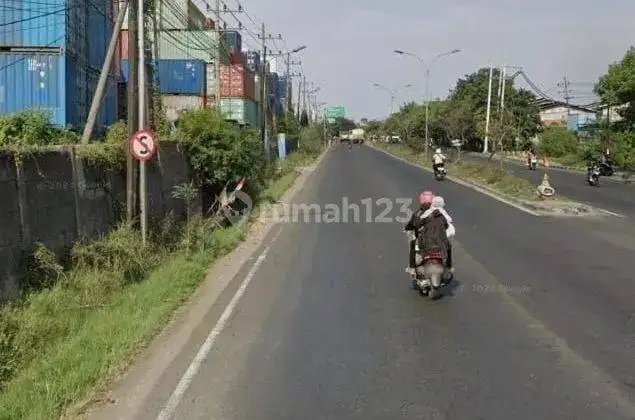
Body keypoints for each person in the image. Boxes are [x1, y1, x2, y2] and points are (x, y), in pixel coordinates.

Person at [403, 191, 434, 276]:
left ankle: (412, 268)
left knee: (412, 246)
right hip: (436, 240)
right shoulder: (438, 212)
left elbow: (411, 224)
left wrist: (407, 228)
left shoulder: (418, 213)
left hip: (422, 240)